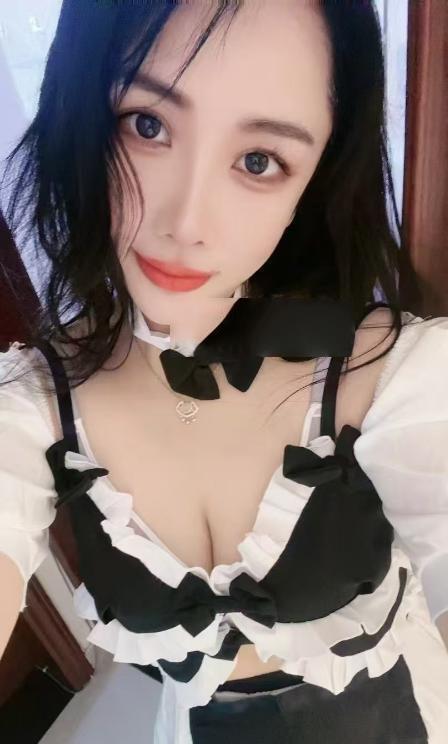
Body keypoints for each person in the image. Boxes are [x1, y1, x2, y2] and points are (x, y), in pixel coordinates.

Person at [0, 1, 447, 742]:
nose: (185, 222)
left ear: (316, 179)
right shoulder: (32, 403)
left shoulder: (394, 374)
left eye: (259, 160)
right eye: (147, 125)